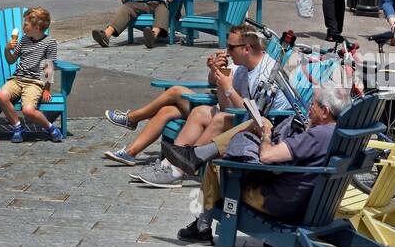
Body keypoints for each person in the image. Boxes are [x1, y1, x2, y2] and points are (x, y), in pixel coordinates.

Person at [177, 82, 352, 244]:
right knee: (262, 124)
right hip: (313, 205)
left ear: (325, 112)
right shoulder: (342, 135)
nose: (309, 108)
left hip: (279, 202)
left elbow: (267, 156)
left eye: (313, 104)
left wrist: (266, 136)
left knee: (218, 165)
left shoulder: (319, 135)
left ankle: (202, 226)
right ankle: (199, 156)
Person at [104, 25, 270, 177]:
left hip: (239, 119)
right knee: (167, 110)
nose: (226, 51)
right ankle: (137, 154)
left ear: (247, 48)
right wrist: (215, 71)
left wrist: (228, 88)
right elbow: (216, 85)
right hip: (224, 108)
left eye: (231, 47)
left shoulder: (264, 74)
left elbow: (251, 114)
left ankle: (134, 120)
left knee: (177, 92)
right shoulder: (240, 66)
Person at [0, 7, 63, 143]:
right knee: (2, 95)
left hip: (35, 83)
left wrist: (47, 89)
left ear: (37, 27)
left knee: (28, 110)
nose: (23, 26)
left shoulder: (49, 43)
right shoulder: (23, 40)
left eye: (26, 24)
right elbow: (11, 60)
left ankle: (50, 127)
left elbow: (48, 67)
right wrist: (7, 49)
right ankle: (17, 127)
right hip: (17, 79)